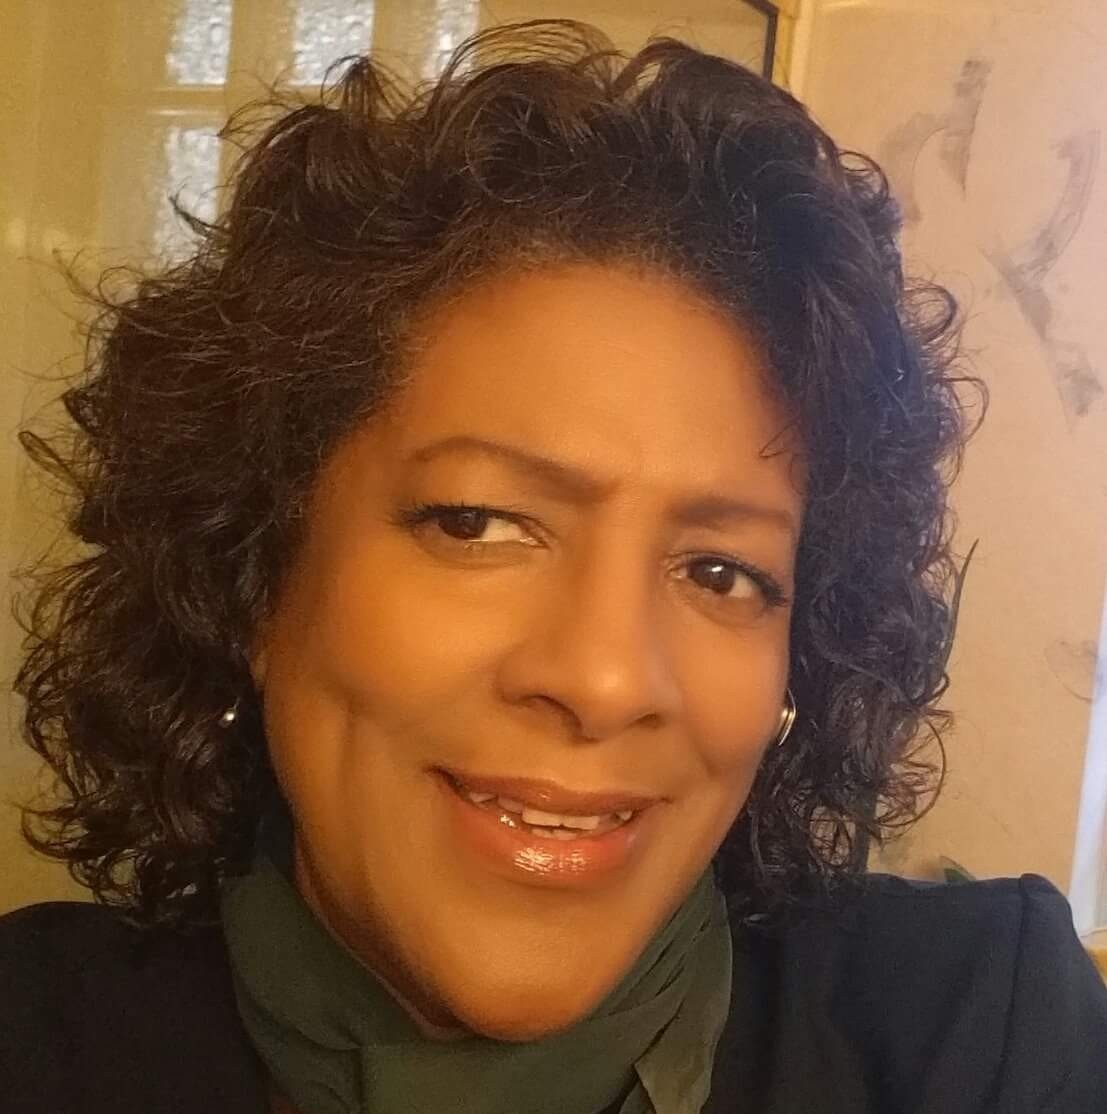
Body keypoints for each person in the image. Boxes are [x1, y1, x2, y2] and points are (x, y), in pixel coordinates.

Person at [2, 19, 1105, 1114]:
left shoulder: (978, 1035)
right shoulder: (35, 1042)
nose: (604, 680)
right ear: (257, 578)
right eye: (477, 522)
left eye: (722, 574)